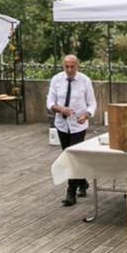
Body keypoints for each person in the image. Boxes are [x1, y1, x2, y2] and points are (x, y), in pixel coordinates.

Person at [47, 55, 97, 206]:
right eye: (66, 66)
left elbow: (92, 104)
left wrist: (86, 115)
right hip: (62, 124)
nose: (69, 70)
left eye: (72, 66)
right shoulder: (56, 80)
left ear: (77, 66)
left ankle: (71, 192)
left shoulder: (85, 81)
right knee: (68, 155)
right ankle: (83, 182)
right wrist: (60, 108)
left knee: (71, 157)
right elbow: (49, 102)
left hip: (78, 126)